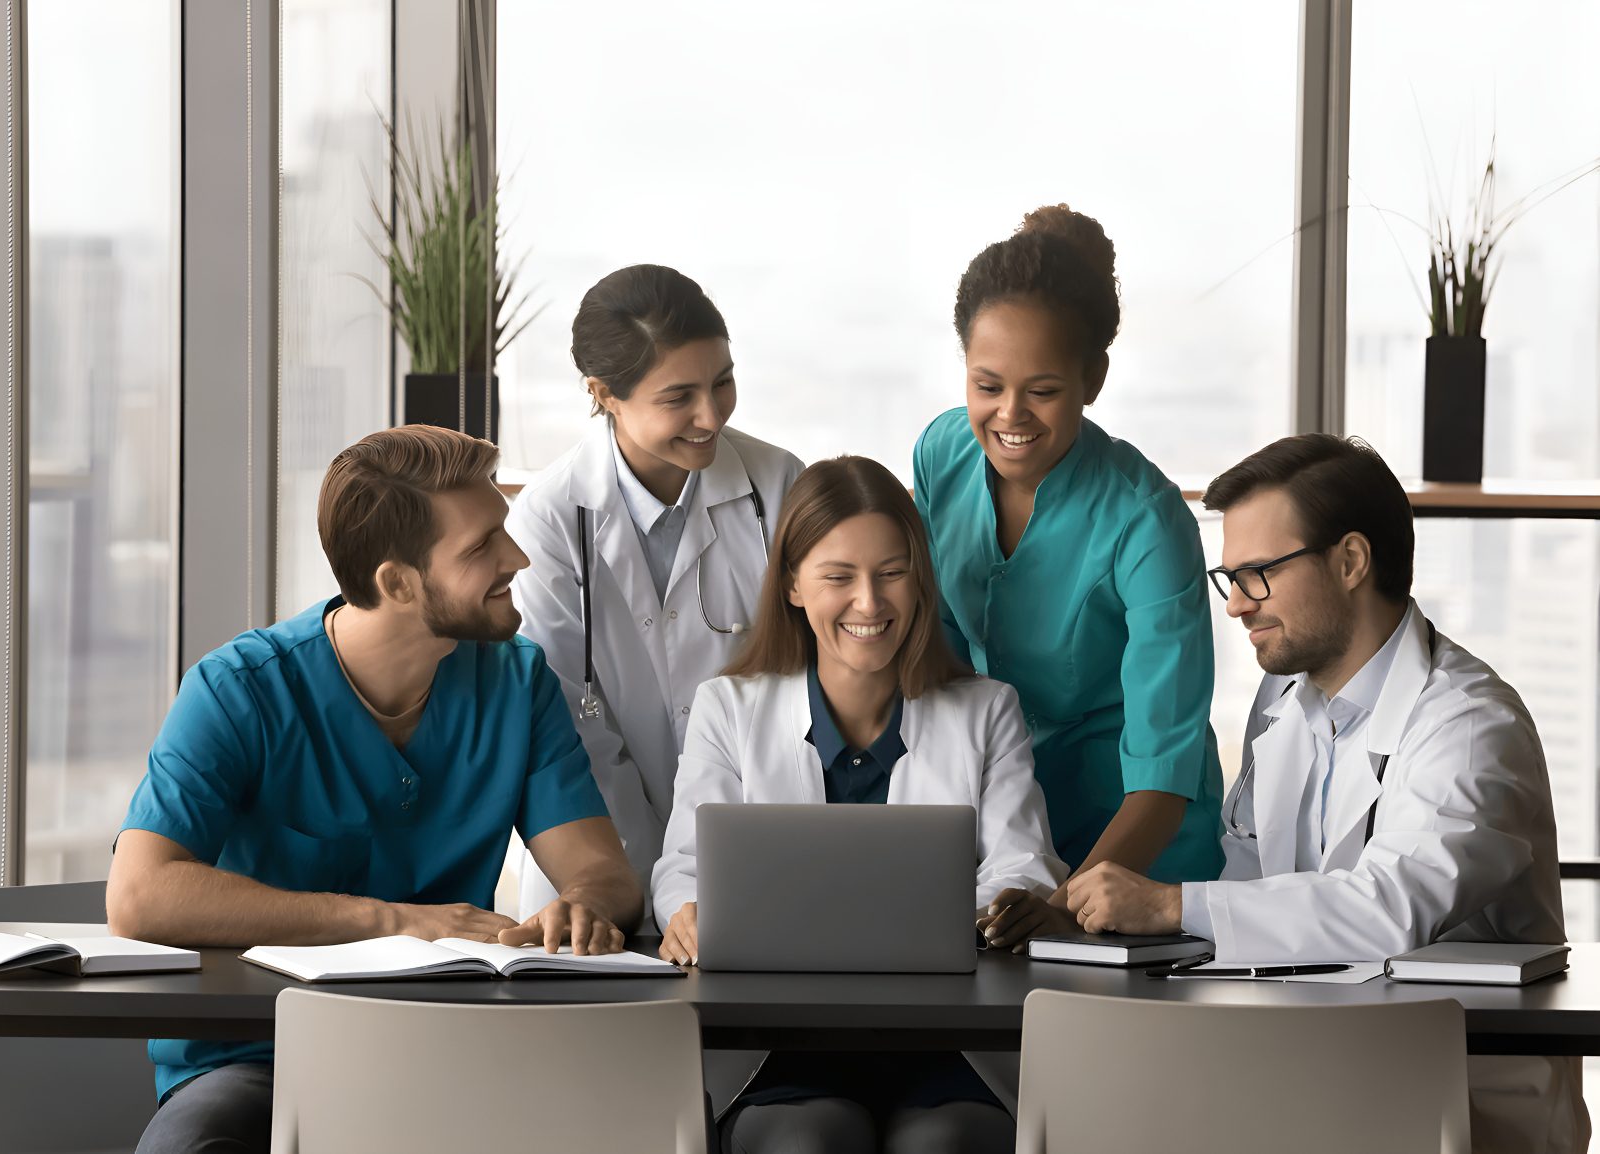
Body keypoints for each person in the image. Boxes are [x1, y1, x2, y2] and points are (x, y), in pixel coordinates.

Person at [107, 425, 643, 1154]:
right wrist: (391, 920)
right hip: (255, 1059)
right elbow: (141, 896)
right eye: (482, 546)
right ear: (397, 583)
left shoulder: (517, 682)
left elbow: (602, 874)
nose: (516, 559)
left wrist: (580, 909)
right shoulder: (238, 690)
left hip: (457, 1049)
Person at [1061, 433, 1588, 1154]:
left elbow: (1388, 909)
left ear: (1349, 562)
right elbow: (1251, 894)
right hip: (1304, 1066)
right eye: (1230, 579)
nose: (1237, 607)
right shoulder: (1281, 702)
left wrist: (1168, 903)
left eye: (1258, 575)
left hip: (1454, 1095)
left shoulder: (1468, 726)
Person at [653, 455, 1065, 1154]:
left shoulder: (986, 710)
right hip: (780, 1049)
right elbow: (684, 869)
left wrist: (1000, 903)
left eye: (892, 573)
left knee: (944, 1143)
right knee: (806, 1142)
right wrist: (687, 914)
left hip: (951, 1047)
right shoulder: (729, 707)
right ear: (791, 584)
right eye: (838, 577)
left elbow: (1021, 863)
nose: (870, 604)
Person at [912, 203, 1223, 919]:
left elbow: (1163, 770)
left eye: (1043, 391)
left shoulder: (1148, 522)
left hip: (1138, 843)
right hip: (1008, 820)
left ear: (1094, 378)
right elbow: (942, 660)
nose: (1010, 416)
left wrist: (1061, 903)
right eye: (986, 386)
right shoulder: (940, 454)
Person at [511, 264, 804, 924]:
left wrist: (698, 875)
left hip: (750, 847)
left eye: (722, 383)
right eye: (679, 397)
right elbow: (570, 725)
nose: (711, 415)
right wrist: (639, 882)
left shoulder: (778, 485)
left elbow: (802, 690)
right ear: (604, 393)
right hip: (596, 863)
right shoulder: (549, 517)